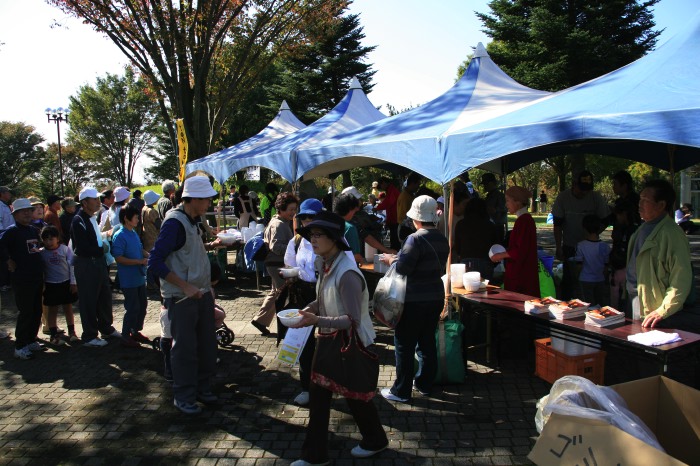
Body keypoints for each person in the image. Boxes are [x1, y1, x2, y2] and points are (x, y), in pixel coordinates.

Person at [290, 211, 388, 464]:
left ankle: (375, 440)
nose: (312, 239)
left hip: (350, 344)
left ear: (334, 238)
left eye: (318, 234)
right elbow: (324, 298)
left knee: (356, 397)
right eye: (311, 234)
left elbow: (352, 320)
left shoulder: (347, 274)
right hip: (330, 340)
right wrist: (309, 309)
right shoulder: (325, 264)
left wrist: (316, 320)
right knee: (322, 398)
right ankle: (315, 456)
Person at [148, 175, 224, 414]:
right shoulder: (174, 223)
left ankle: (202, 388)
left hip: (200, 293)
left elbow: (185, 253)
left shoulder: (193, 220)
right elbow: (155, 262)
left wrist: (211, 247)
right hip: (182, 298)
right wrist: (184, 286)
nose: (209, 204)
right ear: (192, 199)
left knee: (206, 345)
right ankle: (184, 396)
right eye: (206, 200)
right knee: (185, 349)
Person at [379, 195, 449, 403]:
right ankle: (425, 384)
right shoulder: (442, 238)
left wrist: (392, 259)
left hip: (413, 300)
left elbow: (403, 268)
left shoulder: (415, 239)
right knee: (427, 342)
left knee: (404, 345)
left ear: (416, 219)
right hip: (435, 296)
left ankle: (401, 390)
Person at [627, 180, 699, 331]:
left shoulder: (672, 234)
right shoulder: (642, 228)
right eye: (640, 199)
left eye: (645, 200)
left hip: (658, 311)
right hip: (637, 301)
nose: (639, 204)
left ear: (661, 205)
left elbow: (681, 279)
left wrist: (663, 310)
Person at [282, 198, 324, 406]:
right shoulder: (296, 241)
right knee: (304, 343)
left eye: (312, 217)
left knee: (326, 341)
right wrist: (291, 273)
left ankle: (329, 385)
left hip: (325, 294)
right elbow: (290, 263)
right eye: (304, 217)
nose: (307, 222)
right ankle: (307, 387)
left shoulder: (331, 238)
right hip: (302, 294)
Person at [71, 187, 120, 347]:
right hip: (87, 263)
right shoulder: (78, 220)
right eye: (95, 199)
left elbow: (95, 237)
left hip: (98, 262)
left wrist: (105, 236)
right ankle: (89, 335)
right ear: (85, 202)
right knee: (89, 299)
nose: (98, 202)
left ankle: (106, 327)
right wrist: (101, 249)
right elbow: (82, 248)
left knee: (104, 296)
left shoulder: (90, 217)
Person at [552, 170, 609, 299]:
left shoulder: (596, 197)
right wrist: (559, 247)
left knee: (591, 280)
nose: (584, 192)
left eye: (587, 189)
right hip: (570, 245)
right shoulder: (563, 197)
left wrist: (592, 235)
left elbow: (605, 220)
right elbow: (558, 224)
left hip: (591, 246)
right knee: (569, 279)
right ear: (574, 184)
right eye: (581, 189)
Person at [0, 199, 45, 359]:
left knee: (36, 311)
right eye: (22, 211)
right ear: (15, 214)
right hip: (21, 278)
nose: (27, 213)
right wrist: (8, 260)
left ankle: (31, 339)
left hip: (36, 277)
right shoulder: (11, 232)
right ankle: (20, 346)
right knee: (25, 311)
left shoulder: (33, 230)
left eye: (28, 210)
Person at [250, 192, 299, 335]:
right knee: (285, 294)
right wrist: (294, 248)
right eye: (290, 209)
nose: (293, 212)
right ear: (281, 209)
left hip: (274, 264)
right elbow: (276, 247)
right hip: (277, 264)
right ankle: (287, 326)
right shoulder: (279, 224)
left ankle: (260, 320)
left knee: (275, 292)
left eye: (294, 209)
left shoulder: (278, 221)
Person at [490, 186, 540, 297]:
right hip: (521, 271)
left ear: (517, 202)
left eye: (508, 200)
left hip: (521, 273)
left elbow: (520, 249)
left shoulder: (524, 221)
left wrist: (501, 255)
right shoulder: (524, 220)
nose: (506, 204)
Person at [112, 205, 150, 347]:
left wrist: (149, 255)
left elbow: (140, 249)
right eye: (135, 217)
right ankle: (125, 334)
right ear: (127, 219)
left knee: (142, 306)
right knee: (133, 307)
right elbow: (119, 258)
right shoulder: (120, 235)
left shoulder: (133, 232)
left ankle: (135, 331)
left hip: (139, 277)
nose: (138, 220)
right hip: (128, 280)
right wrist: (138, 261)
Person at [39, 225, 79, 345]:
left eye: (51, 239)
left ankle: (72, 331)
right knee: (52, 309)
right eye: (45, 239)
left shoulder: (65, 249)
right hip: (51, 284)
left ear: (57, 238)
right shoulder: (42, 253)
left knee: (68, 307)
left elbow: (72, 266)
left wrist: (73, 282)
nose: (48, 242)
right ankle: (53, 334)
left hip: (65, 283)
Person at [453, 198, 500, 280]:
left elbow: (458, 247)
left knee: (467, 291)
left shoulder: (460, 224)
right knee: (485, 290)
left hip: (466, 261)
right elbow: (496, 246)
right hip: (485, 261)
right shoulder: (490, 225)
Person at [574, 215, 611, 306]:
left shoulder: (581, 245)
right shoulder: (605, 246)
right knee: (600, 304)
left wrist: (575, 276)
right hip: (600, 279)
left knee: (587, 305)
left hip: (585, 279)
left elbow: (579, 265)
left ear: (584, 228)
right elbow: (606, 265)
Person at [334, 193, 364, 264]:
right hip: (346, 269)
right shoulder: (350, 228)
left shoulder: (327, 223)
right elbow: (356, 256)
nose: (354, 214)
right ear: (350, 209)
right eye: (354, 211)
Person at [375, 177, 401, 250]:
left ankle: (395, 253)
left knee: (395, 240)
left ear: (384, 183)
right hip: (393, 218)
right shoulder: (390, 190)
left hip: (395, 219)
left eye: (381, 185)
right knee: (394, 239)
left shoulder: (392, 190)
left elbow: (389, 202)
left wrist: (377, 208)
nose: (382, 187)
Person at [481, 172, 507, 243]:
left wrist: (495, 210)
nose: (484, 186)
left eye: (485, 184)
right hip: (489, 226)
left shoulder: (499, 195)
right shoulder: (489, 196)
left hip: (497, 226)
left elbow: (505, 208)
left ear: (491, 183)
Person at [397, 173, 421, 242]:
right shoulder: (404, 196)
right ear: (412, 183)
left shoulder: (410, 195)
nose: (418, 187)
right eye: (418, 185)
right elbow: (403, 216)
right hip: (405, 228)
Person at [0, 186, 15, 292]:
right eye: (7, 192)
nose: (9, 194)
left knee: (9, 259)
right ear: (2, 194)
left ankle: (8, 282)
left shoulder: (7, 205)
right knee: (4, 260)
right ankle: (3, 283)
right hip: (3, 236)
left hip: (9, 235)